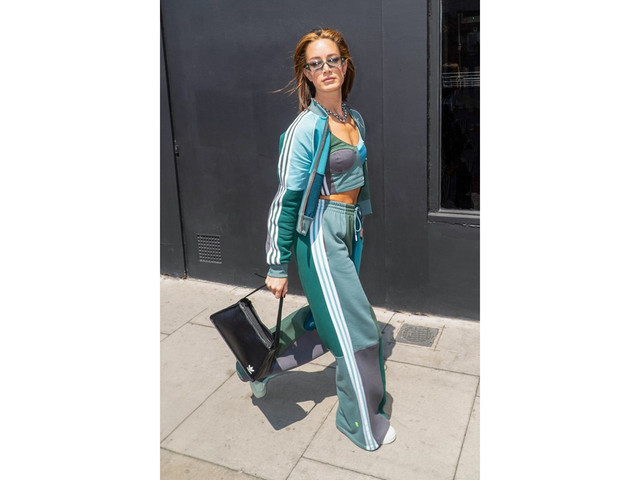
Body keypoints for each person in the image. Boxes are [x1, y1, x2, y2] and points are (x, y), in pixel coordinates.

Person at [237, 28, 395, 451]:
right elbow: (286, 200)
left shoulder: (353, 118)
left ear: (345, 64)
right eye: (316, 63)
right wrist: (277, 264)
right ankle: (361, 423)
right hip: (321, 234)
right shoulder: (304, 128)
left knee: (328, 320)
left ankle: (254, 361)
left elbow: (357, 179)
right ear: (305, 73)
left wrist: (358, 220)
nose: (326, 68)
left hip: (347, 229)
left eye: (333, 59)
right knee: (358, 330)